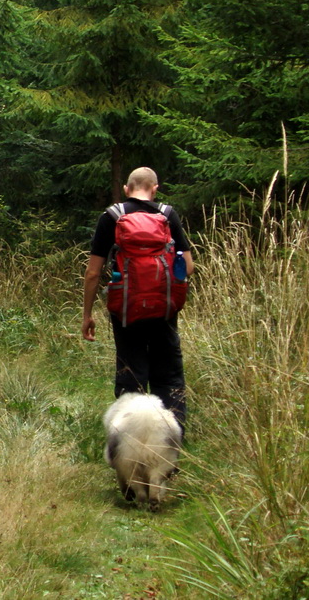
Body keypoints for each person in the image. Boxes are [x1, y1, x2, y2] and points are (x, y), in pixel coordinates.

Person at [81, 167, 194, 430]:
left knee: (131, 374)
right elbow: (188, 267)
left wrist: (87, 315)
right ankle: (170, 447)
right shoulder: (167, 214)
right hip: (164, 308)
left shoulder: (112, 216)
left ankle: (131, 443)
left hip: (126, 310)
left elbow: (92, 273)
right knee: (168, 376)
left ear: (126, 189)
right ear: (155, 189)